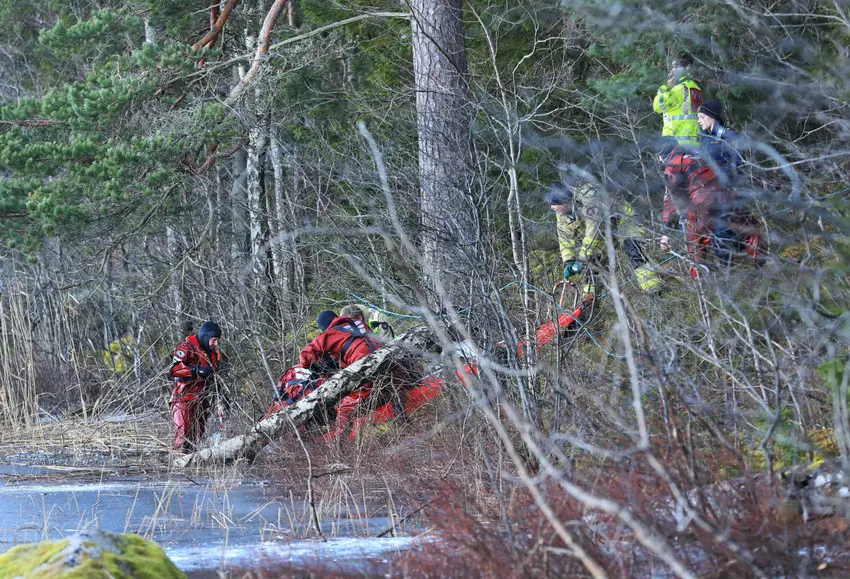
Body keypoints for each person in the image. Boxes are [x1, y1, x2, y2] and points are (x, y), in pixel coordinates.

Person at [547, 182, 661, 296]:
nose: (551, 207)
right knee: (593, 261)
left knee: (633, 249)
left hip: (623, 220)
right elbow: (564, 238)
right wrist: (568, 261)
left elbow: (593, 232)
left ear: (565, 202)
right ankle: (589, 298)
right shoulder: (561, 214)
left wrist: (581, 259)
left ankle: (653, 290)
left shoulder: (588, 200)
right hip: (605, 231)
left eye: (554, 204)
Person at [299, 310, 382, 439]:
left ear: (324, 326)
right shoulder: (358, 323)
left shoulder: (328, 334)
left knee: (345, 409)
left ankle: (339, 444)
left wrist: (313, 366)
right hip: (384, 358)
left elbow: (305, 356)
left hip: (364, 367)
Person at [697, 100, 762, 263]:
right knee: (720, 231)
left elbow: (739, 164)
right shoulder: (704, 138)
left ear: (712, 116)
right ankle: (744, 251)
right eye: (698, 117)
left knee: (721, 233)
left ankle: (732, 265)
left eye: (702, 116)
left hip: (730, 192)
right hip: (711, 194)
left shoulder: (730, 136)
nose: (699, 120)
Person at [169, 320, 222, 452]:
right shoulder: (185, 347)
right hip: (183, 399)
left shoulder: (213, 353)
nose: (216, 344)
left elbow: (215, 376)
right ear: (206, 337)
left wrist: (222, 394)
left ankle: (194, 462)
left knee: (197, 438)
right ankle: (180, 461)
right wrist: (196, 371)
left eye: (217, 340)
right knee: (183, 438)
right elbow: (174, 370)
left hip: (201, 400)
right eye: (214, 340)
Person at [653, 55, 704, 150]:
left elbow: (657, 106)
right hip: (693, 141)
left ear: (684, 69)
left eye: (675, 67)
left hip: (677, 142)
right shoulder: (695, 87)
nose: (672, 71)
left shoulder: (679, 89)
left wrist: (665, 88)